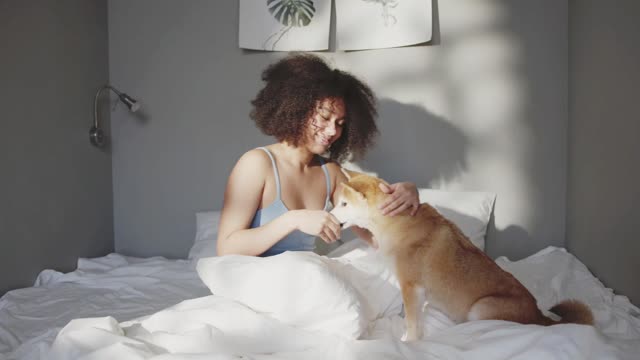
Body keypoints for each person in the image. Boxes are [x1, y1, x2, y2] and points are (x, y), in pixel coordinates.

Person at [217, 53, 419, 257]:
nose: (332, 131)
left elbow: (377, 237)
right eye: (324, 117)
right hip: (255, 276)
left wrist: (409, 192)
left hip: (304, 277)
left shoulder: (331, 173)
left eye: (340, 124)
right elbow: (226, 248)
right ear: (296, 109)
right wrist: (293, 220)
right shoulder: (257, 164)